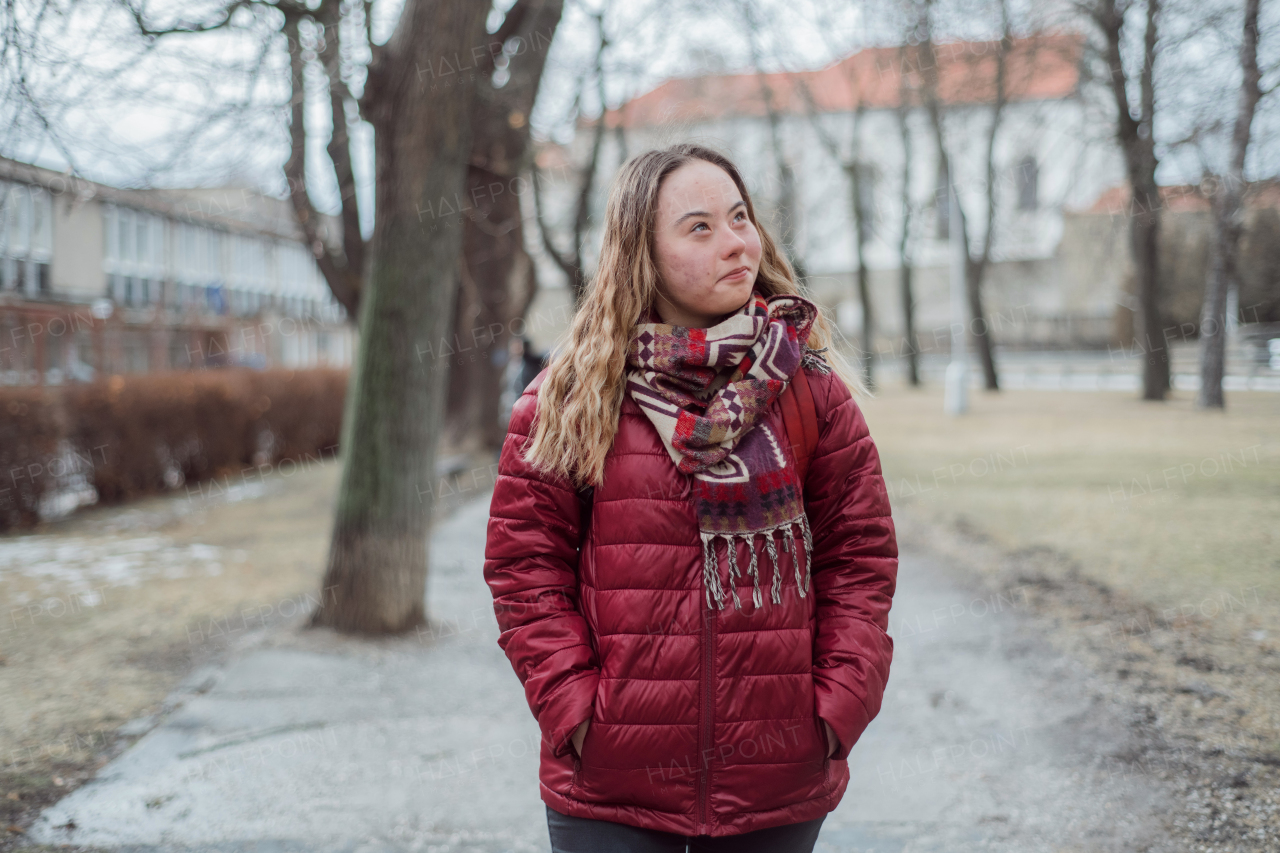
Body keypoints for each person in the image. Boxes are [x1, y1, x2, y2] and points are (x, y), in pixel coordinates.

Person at [483, 143, 897, 852]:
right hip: (608, 786)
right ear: (641, 253)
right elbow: (525, 568)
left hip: (775, 779)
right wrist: (577, 712)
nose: (737, 242)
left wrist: (832, 711)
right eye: (700, 227)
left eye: (740, 217)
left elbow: (860, 558)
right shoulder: (571, 399)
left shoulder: (810, 390)